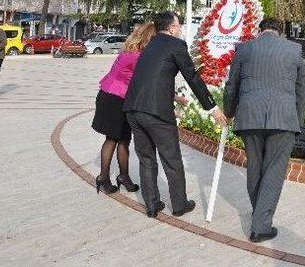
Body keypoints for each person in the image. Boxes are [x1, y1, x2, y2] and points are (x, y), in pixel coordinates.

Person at [123, 12, 227, 218]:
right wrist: (212, 108)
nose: (180, 29)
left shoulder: (150, 45)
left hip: (133, 109)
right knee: (171, 159)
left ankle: (152, 206)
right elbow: (193, 78)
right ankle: (179, 205)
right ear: (171, 28)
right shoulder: (176, 45)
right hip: (156, 113)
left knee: (146, 159)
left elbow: (153, 78)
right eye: (179, 25)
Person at [223, 18, 305, 243]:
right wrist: (298, 121)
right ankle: (260, 226)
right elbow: (303, 89)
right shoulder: (294, 50)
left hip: (249, 116)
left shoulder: (244, 49)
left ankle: (259, 214)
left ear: (259, 30)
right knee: (274, 170)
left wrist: (229, 111)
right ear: (280, 32)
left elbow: (232, 85)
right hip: (283, 118)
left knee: (255, 166)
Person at [92, 22, 156, 194]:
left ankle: (123, 176)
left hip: (108, 94)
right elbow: (144, 82)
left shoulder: (129, 50)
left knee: (122, 140)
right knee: (114, 139)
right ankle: (104, 178)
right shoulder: (138, 57)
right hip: (116, 98)